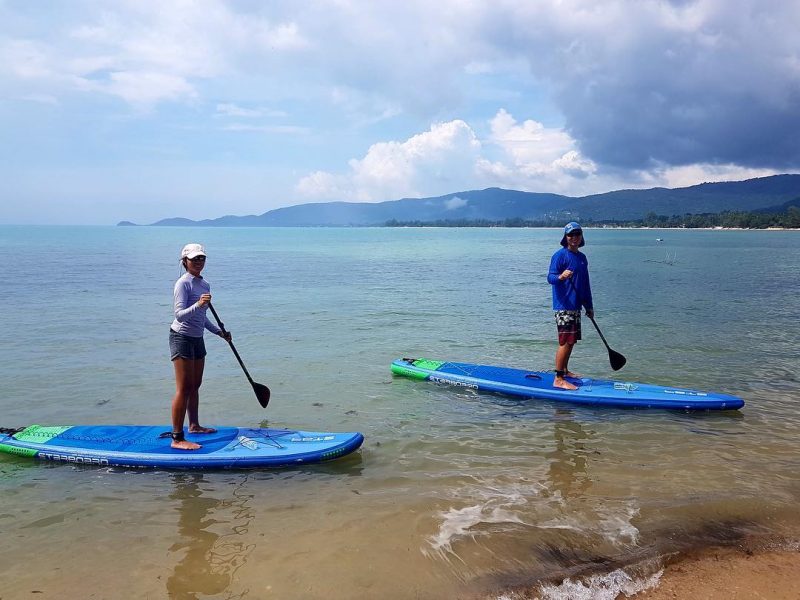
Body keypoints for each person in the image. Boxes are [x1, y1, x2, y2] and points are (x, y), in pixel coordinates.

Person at [169, 243, 231, 450]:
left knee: (195, 385)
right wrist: (198, 305)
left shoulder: (204, 285)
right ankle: (177, 438)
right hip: (181, 337)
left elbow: (201, 318)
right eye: (194, 259)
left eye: (201, 258)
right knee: (184, 388)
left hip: (197, 337)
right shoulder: (183, 284)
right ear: (184, 261)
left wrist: (219, 333)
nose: (198, 262)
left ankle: (194, 426)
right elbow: (179, 315)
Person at [547, 222, 594, 390]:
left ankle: (565, 371)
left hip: (576, 306)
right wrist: (561, 276)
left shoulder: (582, 258)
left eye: (577, 234)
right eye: (570, 235)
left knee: (572, 341)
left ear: (581, 237)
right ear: (565, 237)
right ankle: (558, 378)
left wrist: (589, 306)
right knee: (565, 342)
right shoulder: (559, 256)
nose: (574, 238)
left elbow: (585, 284)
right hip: (563, 305)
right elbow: (550, 278)